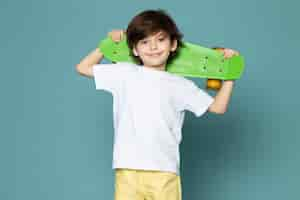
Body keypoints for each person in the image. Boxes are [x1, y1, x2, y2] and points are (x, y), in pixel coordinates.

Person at [76, 9, 239, 200]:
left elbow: (218, 108)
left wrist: (230, 74)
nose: (153, 47)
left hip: (164, 170)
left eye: (160, 40)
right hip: (128, 168)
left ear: (173, 44)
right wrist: (107, 45)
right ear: (135, 49)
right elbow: (83, 68)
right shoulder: (124, 73)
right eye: (144, 42)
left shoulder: (180, 84)